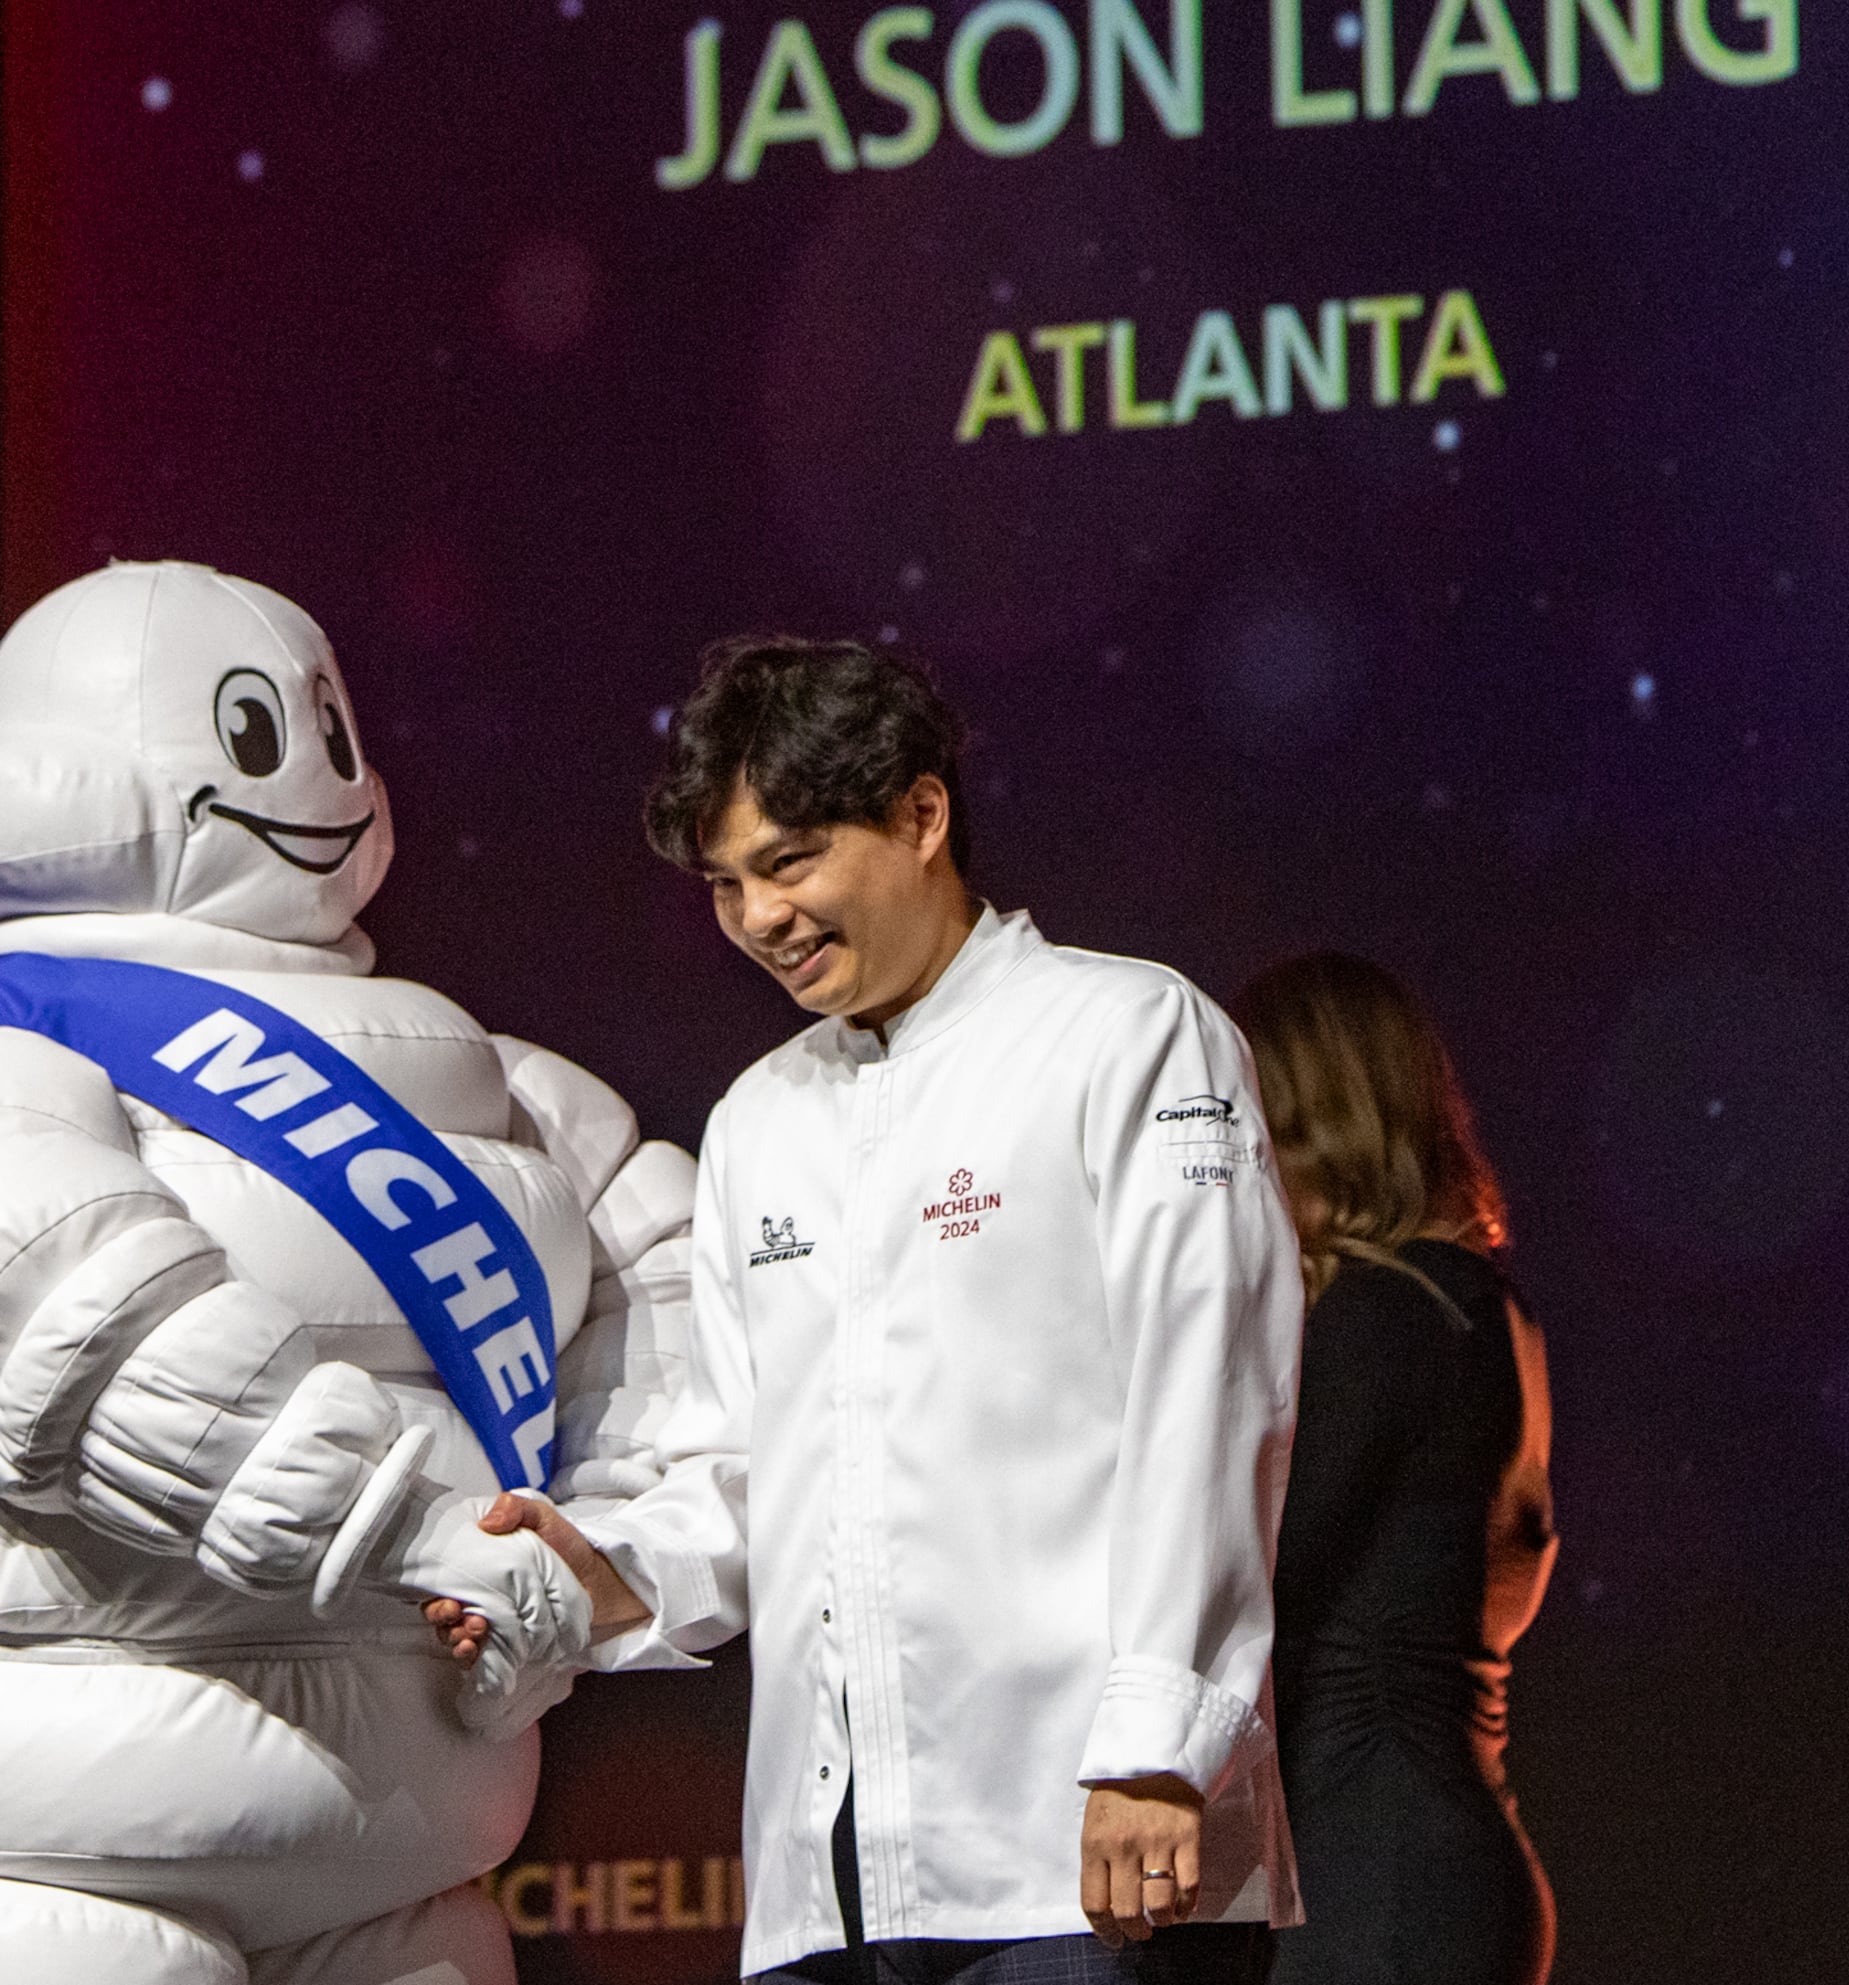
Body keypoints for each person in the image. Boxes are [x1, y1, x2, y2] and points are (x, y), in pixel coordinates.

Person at [0, 563, 699, 1985]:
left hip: (418, 1858)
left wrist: (597, 1574)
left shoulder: (492, 1085)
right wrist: (419, 1532)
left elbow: (694, 1321)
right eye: (259, 738)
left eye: (325, 734)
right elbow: (61, 1313)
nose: (321, 777)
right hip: (55, 1859)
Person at [431, 634, 1304, 1981]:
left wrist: (1157, 1744)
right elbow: (735, 1470)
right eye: (726, 885)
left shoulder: (1128, 1037)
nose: (761, 918)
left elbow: (1211, 1398)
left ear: (920, 812)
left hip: (1089, 1854)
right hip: (824, 1884)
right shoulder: (757, 1118)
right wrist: (593, 1575)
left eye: (790, 863)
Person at [1227, 955, 1555, 1985]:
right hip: (1420, 1855)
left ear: (1310, 1122)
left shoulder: (1388, 1316)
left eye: (1243, 1120)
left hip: (1379, 1874)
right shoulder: (1480, 1311)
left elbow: (1254, 1587)